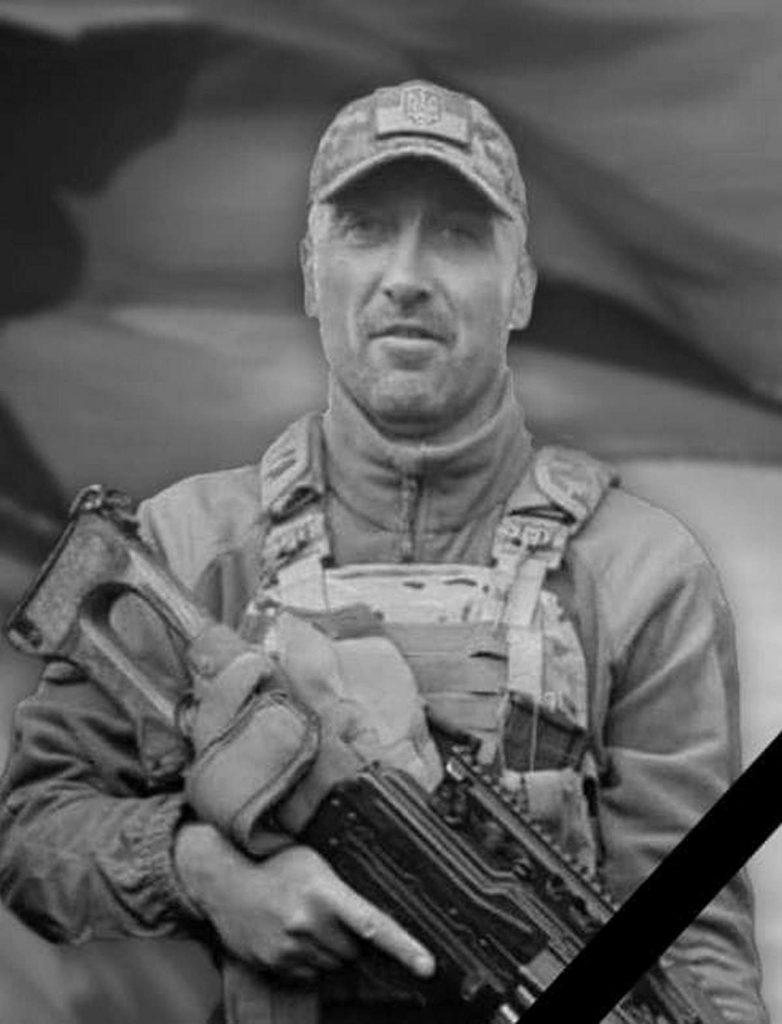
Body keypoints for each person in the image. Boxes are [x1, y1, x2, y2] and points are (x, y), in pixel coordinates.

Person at [0, 80, 767, 1024]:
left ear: (522, 288)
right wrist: (203, 873)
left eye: (457, 234)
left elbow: (696, 951)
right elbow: (33, 834)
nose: (407, 275)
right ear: (310, 272)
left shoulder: (639, 571)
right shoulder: (193, 544)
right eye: (366, 230)